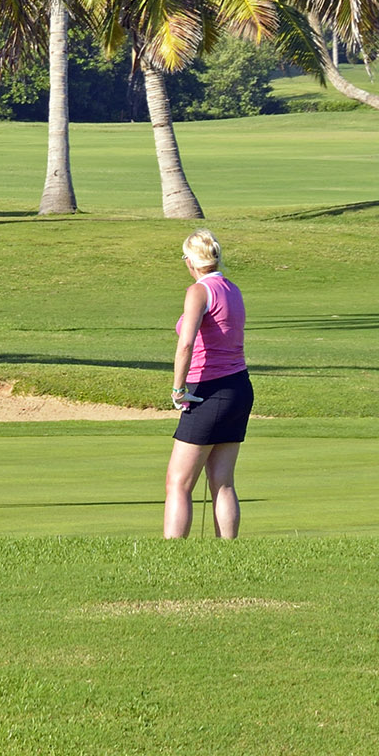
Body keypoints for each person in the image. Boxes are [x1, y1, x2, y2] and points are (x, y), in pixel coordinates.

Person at [165, 230, 249, 538]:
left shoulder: (198, 291)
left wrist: (178, 389)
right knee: (222, 480)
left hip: (208, 390)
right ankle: (227, 552)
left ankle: (173, 554)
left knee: (178, 482)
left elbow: (186, 344)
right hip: (238, 387)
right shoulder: (232, 288)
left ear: (191, 260)